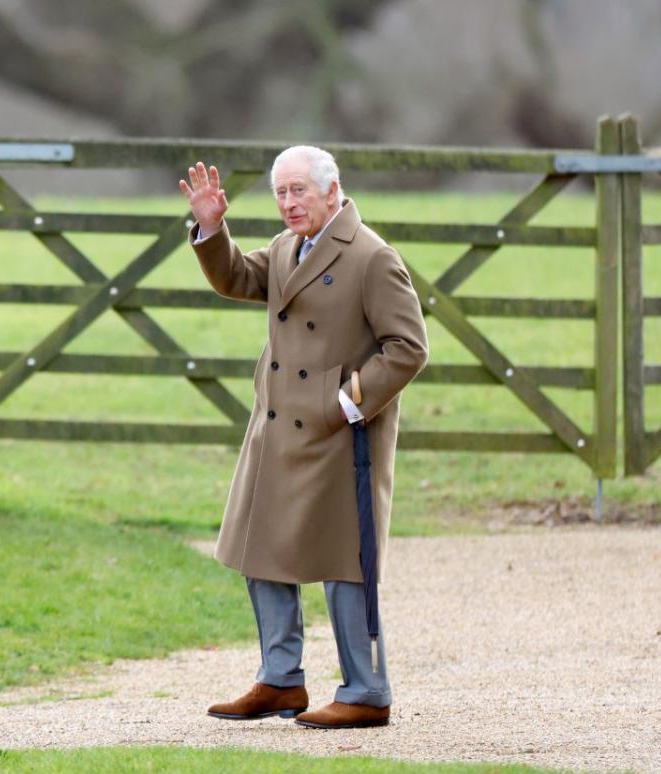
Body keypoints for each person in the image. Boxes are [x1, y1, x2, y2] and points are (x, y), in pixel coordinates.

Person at [179, 146, 428, 729]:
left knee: (346, 564)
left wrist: (345, 402)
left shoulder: (372, 257)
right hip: (276, 427)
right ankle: (280, 680)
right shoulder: (289, 246)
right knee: (259, 546)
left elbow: (409, 348)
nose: (289, 203)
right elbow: (237, 277)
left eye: (299, 191)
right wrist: (212, 230)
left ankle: (366, 692)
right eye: (281, 193)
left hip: (341, 434)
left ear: (332, 190)